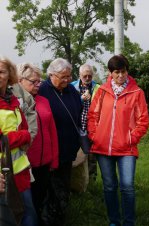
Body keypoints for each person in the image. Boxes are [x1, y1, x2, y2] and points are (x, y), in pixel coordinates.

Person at [87, 54, 149, 226]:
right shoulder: (101, 91)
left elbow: (143, 120)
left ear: (127, 71)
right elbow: (93, 115)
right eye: (117, 72)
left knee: (127, 186)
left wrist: (131, 138)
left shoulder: (137, 92)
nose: (121, 76)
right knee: (109, 186)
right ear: (110, 73)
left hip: (126, 149)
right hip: (103, 148)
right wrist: (95, 135)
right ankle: (114, 221)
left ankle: (129, 222)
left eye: (123, 72)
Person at [38, 58, 81, 226]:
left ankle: (61, 217)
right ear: (51, 75)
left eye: (69, 76)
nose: (67, 80)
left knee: (64, 187)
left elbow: (79, 109)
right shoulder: (43, 91)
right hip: (50, 151)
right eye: (63, 77)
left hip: (68, 150)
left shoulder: (70, 89)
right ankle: (49, 219)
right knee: (51, 189)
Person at [17, 63, 59, 225]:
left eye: (39, 81)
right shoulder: (15, 104)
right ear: (20, 81)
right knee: (27, 207)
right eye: (33, 82)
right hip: (25, 165)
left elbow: (52, 131)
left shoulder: (43, 101)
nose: (38, 85)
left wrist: (54, 159)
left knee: (40, 201)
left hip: (44, 162)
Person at [0, 56, 35, 225]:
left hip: (20, 172)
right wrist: (22, 136)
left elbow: (25, 128)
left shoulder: (12, 100)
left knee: (28, 216)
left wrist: (20, 135)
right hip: (2, 176)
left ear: (10, 75)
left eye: (1, 71)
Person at [71, 63, 100, 180]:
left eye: (90, 76)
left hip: (93, 127)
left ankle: (92, 179)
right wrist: (80, 99)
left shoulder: (97, 88)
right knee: (79, 154)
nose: (87, 78)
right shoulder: (72, 87)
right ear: (79, 75)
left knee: (92, 154)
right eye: (85, 76)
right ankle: (78, 179)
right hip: (78, 126)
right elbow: (70, 104)